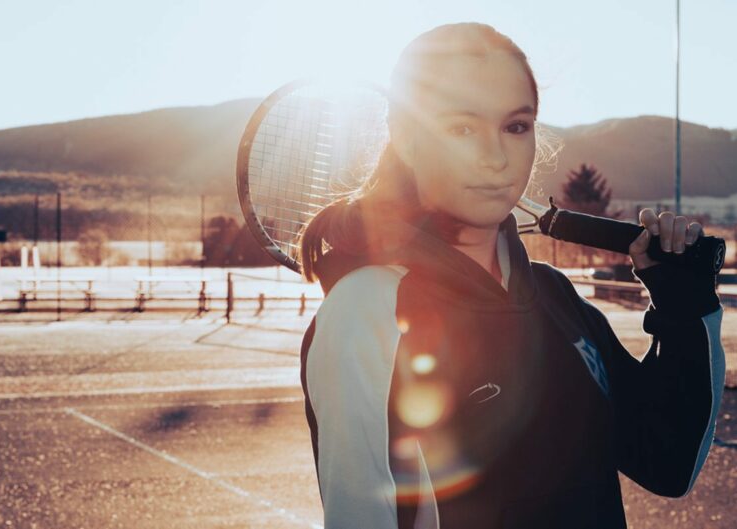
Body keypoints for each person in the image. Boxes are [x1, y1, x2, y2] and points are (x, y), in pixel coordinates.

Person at [297, 23, 725, 529]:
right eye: (461, 128)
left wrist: (684, 308)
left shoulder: (555, 296)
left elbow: (668, 461)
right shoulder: (363, 312)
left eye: (516, 126)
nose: (496, 157)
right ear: (407, 140)